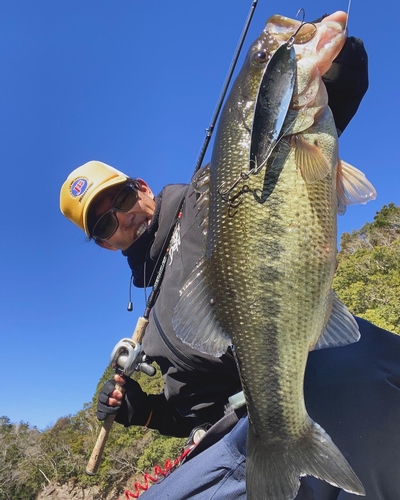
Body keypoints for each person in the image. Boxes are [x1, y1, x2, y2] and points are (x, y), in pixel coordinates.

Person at [60, 29, 400, 499]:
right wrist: (146, 412)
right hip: (230, 438)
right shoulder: (153, 317)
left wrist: (326, 69)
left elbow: (279, 148)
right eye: (103, 224)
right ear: (103, 244)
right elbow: (190, 415)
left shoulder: (209, 194)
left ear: (140, 187)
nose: (123, 218)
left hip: (301, 383)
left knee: (351, 375)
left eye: (120, 197)